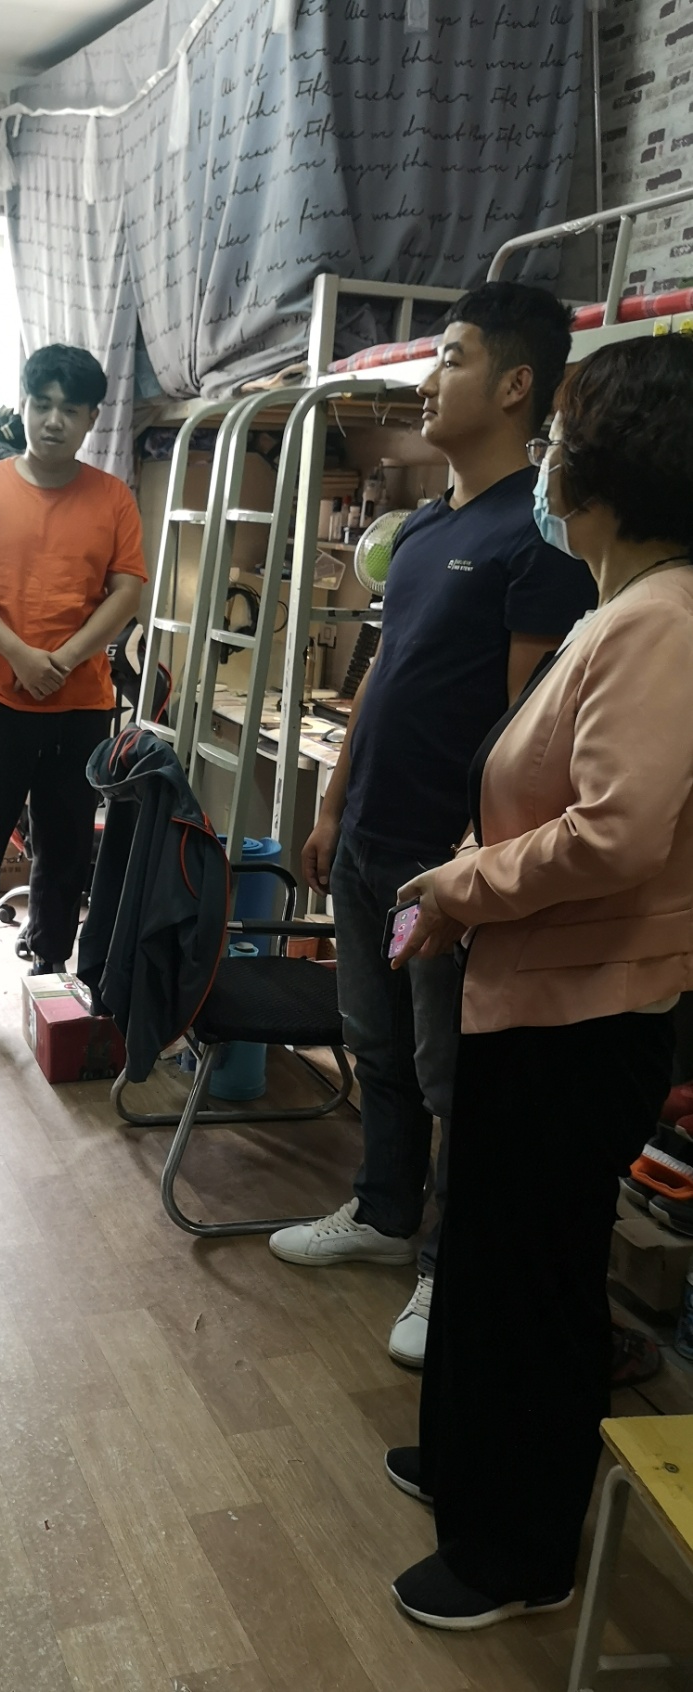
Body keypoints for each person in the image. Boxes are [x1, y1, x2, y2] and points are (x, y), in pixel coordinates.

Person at [383, 335, 693, 1628]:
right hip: (536, 991)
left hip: (585, 1013)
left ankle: (520, 1553)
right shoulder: (621, 608)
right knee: (490, 1252)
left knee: (536, 1275)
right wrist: (468, 883)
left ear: (607, 467)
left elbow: (616, 835)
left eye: (563, 434)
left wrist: (462, 887)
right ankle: (468, 1463)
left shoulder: (662, 623)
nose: (548, 456)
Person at [269, 283, 596, 1366]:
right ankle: (381, 1210)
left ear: (514, 384)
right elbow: (381, 674)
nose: (427, 377)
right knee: (376, 1046)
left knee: (452, 1069)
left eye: (451, 357)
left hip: (442, 864)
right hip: (370, 837)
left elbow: (526, 730)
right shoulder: (421, 530)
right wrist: (332, 803)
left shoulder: (537, 538)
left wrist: (474, 866)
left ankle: (445, 1268)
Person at [0, 343, 146, 1041]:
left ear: (90, 420)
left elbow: (127, 590)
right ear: (23, 406)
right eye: (41, 404)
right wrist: (20, 656)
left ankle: (51, 965)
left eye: (69, 410)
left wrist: (66, 658)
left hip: (79, 704)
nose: (53, 421)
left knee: (66, 844)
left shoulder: (111, 498)